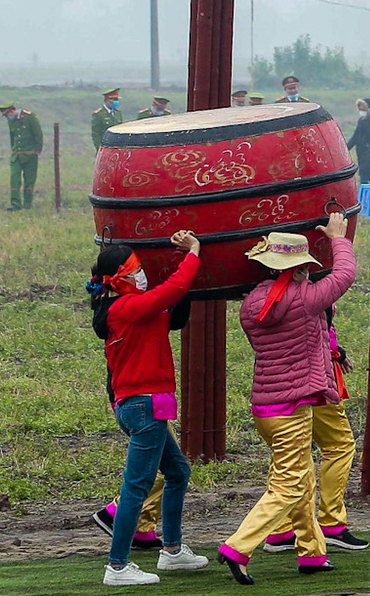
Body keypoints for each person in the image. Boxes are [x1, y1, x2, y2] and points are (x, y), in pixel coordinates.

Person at [218, 215, 355, 581]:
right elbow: (344, 276)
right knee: (288, 485)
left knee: (302, 478)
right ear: (299, 269)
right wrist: (339, 239)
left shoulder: (252, 304)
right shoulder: (305, 300)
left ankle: (311, 552)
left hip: (266, 407)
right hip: (294, 408)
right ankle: (238, 547)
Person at [89, 229, 210, 585]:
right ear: (121, 278)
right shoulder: (126, 308)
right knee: (136, 488)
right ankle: (117, 566)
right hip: (144, 408)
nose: (143, 274)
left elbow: (172, 315)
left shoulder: (127, 309)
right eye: (137, 269)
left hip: (144, 407)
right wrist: (194, 253)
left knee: (178, 473)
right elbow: (170, 292)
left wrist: (184, 273)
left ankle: (172, 551)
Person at [260, 303, 367, 557]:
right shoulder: (310, 290)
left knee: (287, 453)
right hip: (311, 379)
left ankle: (280, 529)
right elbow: (317, 326)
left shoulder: (262, 294)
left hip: (274, 384)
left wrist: (335, 349)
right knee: (339, 444)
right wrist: (333, 351)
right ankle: (331, 523)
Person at [1, 102, 44, 210]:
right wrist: (13, 149)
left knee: (29, 181)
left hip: (30, 155)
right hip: (16, 155)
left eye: (8, 115)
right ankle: (15, 204)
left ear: (12, 111)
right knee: (14, 178)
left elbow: (38, 135)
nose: (8, 118)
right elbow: (13, 136)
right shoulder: (11, 121)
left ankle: (27, 204)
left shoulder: (29, 117)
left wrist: (36, 151)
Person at [346, 98, 370, 185]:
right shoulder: (362, 121)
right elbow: (355, 137)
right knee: (364, 179)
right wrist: (345, 149)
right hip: (362, 156)